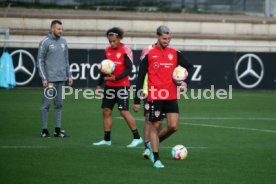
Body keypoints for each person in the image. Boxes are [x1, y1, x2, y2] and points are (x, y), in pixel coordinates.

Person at [133, 25, 194, 168]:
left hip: (171, 95)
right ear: (158, 37)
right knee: (156, 125)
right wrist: (137, 100)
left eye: (168, 38)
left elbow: (190, 67)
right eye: (164, 38)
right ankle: (157, 159)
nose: (167, 41)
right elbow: (140, 78)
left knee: (173, 126)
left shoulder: (174, 53)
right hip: (155, 95)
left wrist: (185, 82)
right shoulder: (149, 54)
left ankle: (151, 144)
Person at [93, 27, 143, 147]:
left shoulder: (126, 50)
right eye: (110, 41)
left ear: (119, 38)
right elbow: (104, 69)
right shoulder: (107, 51)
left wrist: (116, 78)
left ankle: (137, 137)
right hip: (109, 86)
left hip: (122, 86)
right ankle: (107, 140)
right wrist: (100, 84)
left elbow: (129, 69)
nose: (112, 43)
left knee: (124, 112)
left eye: (114, 41)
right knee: (106, 111)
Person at [37, 20, 73, 138]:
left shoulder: (63, 42)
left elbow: (66, 60)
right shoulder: (45, 42)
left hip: (61, 79)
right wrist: (44, 78)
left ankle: (57, 130)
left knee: (59, 105)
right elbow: (40, 61)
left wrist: (69, 75)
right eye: (59, 29)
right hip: (50, 80)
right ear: (52, 29)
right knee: (46, 105)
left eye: (62, 29)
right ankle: (44, 130)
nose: (61, 31)